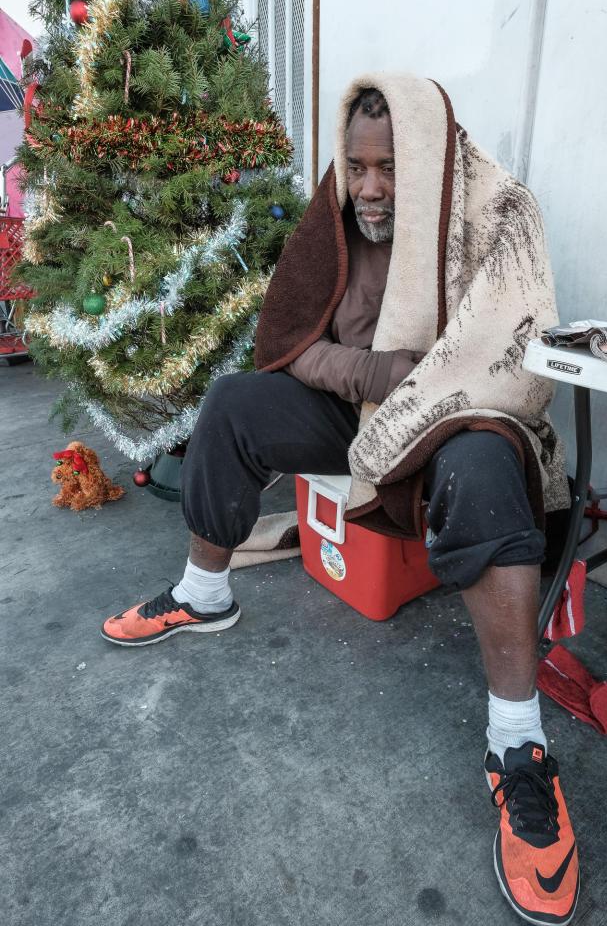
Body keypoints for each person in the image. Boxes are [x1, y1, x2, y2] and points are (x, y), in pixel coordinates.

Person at [101, 74, 579, 926]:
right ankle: (203, 594)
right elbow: (291, 342)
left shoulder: (491, 209)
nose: (369, 188)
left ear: (424, 158)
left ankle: (517, 741)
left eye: (388, 166)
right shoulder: (339, 210)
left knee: (488, 468)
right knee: (235, 404)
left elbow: (509, 348)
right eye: (357, 166)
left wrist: (420, 392)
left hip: (452, 416)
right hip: (361, 410)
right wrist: (374, 376)